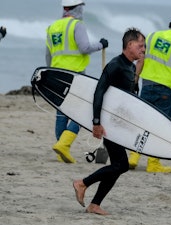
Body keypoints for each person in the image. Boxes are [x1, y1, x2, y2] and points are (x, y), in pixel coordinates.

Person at [73, 27, 146, 215]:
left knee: (118, 165)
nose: (143, 49)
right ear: (129, 45)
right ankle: (82, 183)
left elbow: (127, 98)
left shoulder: (130, 66)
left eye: (144, 46)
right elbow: (99, 92)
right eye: (140, 45)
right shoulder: (115, 65)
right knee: (121, 165)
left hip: (119, 123)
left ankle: (94, 204)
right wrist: (96, 122)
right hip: (108, 124)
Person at [128, 16, 171, 173]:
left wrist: (135, 80)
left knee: (143, 121)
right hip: (166, 89)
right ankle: (153, 163)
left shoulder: (152, 36)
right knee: (161, 126)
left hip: (147, 85)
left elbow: (140, 60)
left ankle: (134, 157)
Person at [46, 0, 108, 163]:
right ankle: (64, 145)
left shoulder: (53, 27)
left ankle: (61, 150)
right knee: (83, 111)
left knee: (62, 112)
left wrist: (51, 73)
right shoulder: (77, 24)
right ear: (78, 8)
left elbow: (48, 54)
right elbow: (84, 47)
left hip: (56, 74)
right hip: (75, 76)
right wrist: (101, 45)